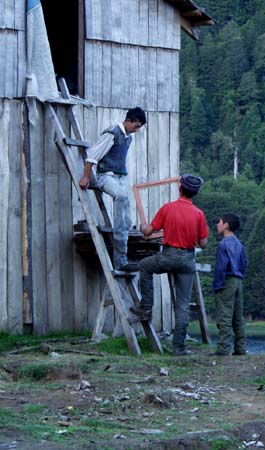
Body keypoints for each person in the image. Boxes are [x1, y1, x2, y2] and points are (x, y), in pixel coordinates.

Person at [130, 174, 208, 356]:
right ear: (194, 193)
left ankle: (146, 307)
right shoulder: (199, 214)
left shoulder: (168, 208)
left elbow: (148, 231)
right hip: (188, 260)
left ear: (179, 188)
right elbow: (203, 244)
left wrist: (143, 226)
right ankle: (179, 348)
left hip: (169, 256)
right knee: (182, 305)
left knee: (145, 266)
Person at [79, 107, 147, 272]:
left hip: (120, 176)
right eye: (136, 126)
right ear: (128, 121)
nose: (137, 130)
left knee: (127, 220)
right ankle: (120, 258)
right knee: (121, 197)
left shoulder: (128, 137)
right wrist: (86, 176)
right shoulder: (112, 133)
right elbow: (92, 156)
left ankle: (122, 254)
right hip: (106, 175)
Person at [212, 213, 247, 356]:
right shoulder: (239, 243)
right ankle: (240, 348)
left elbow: (221, 267)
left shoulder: (223, 244)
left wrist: (217, 285)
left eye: (219, 222)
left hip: (227, 280)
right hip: (238, 280)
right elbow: (244, 263)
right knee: (238, 316)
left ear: (226, 225)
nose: (217, 224)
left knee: (224, 315)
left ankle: (223, 349)